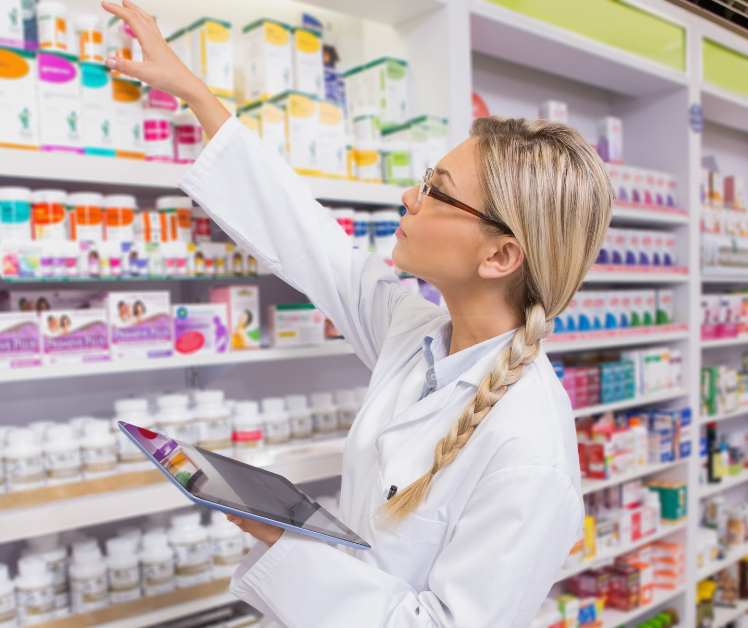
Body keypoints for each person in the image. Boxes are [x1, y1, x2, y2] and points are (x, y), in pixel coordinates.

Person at [101, 2, 611, 626]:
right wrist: (198, 96)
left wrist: (287, 544)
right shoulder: (417, 333)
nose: (409, 196)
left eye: (436, 188)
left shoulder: (530, 447)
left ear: (500, 254)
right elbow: (318, 247)